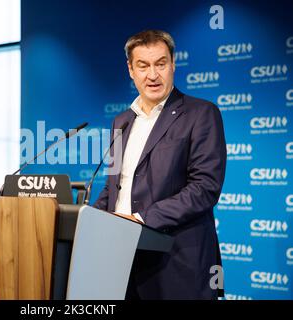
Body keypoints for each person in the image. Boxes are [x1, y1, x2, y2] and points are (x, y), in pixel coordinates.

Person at [93, 30, 226, 299]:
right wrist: (89, 222)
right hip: (121, 260)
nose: (152, 75)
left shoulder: (201, 113)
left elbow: (205, 188)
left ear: (173, 64)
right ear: (131, 70)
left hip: (176, 263)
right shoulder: (122, 121)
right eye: (143, 66)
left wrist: (140, 220)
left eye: (160, 64)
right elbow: (115, 187)